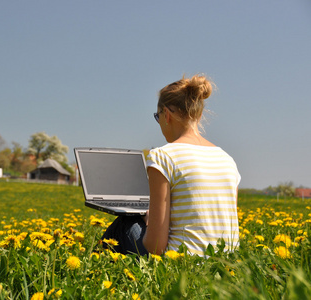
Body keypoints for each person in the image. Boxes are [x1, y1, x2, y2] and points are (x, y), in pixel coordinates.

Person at [101, 74, 240, 257]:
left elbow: (156, 246)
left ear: (166, 115)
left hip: (180, 266)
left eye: (157, 117)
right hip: (222, 268)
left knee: (125, 223)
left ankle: (97, 275)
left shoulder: (163, 156)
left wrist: (150, 222)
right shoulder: (227, 159)